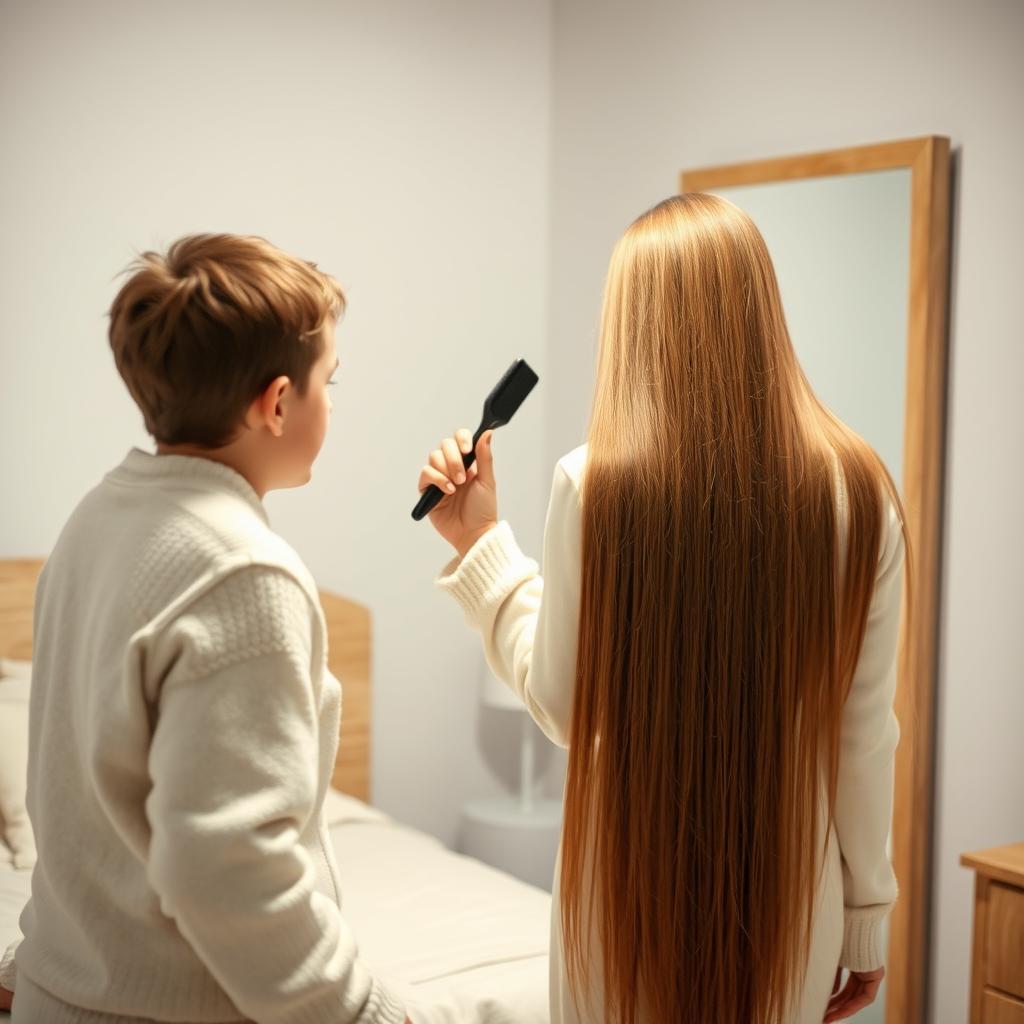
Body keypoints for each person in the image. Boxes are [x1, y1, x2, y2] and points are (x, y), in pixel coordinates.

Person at [418, 193, 906, 1024]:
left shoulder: (597, 483)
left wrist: (481, 547)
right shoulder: (858, 491)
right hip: (797, 901)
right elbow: (864, 733)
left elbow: (566, 704)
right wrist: (864, 922)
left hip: (625, 903)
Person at [0, 235, 409, 1024]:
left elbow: (78, 792)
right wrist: (363, 1011)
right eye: (331, 380)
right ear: (278, 402)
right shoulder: (243, 573)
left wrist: (41, 958)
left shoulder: (97, 519)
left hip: (68, 992)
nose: (334, 403)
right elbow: (230, 866)